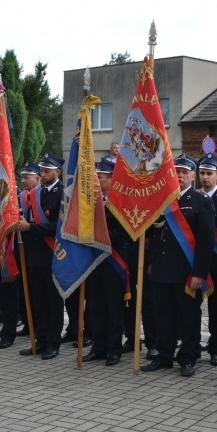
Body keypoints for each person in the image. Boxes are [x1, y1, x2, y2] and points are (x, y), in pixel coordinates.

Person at [141, 155, 215, 377]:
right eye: (177, 172)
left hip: (186, 271)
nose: (180, 176)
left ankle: (187, 358)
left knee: (189, 317)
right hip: (162, 269)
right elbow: (155, 235)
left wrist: (199, 273)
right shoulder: (162, 200)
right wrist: (152, 262)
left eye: (185, 172)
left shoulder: (202, 202)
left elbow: (206, 241)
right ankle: (164, 356)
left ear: (193, 175)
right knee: (163, 315)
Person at [83, 156, 129, 366]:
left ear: (111, 179)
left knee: (114, 308)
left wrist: (99, 234)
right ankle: (98, 347)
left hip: (114, 262)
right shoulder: (91, 201)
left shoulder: (120, 201)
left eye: (100, 177)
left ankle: (114, 349)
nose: (97, 181)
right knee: (95, 306)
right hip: (94, 261)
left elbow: (123, 233)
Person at [18, 154, 65, 360]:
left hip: (54, 254)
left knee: (53, 301)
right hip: (34, 254)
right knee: (38, 301)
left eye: (47, 171)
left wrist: (31, 227)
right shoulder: (33, 194)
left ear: (58, 172)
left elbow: (59, 226)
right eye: (42, 170)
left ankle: (53, 343)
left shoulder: (63, 194)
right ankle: (40, 340)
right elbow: (27, 219)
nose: (43, 173)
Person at [196, 153, 217, 367]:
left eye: (209, 173)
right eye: (202, 173)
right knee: (193, 306)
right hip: (195, 261)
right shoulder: (194, 197)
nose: (205, 177)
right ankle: (193, 344)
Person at [15, 163, 41, 338]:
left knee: (40, 292)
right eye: (22, 177)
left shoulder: (42, 196)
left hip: (40, 247)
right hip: (21, 245)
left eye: (27, 177)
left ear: (37, 178)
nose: (24, 180)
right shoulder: (20, 196)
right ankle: (27, 322)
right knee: (25, 288)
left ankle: (39, 326)